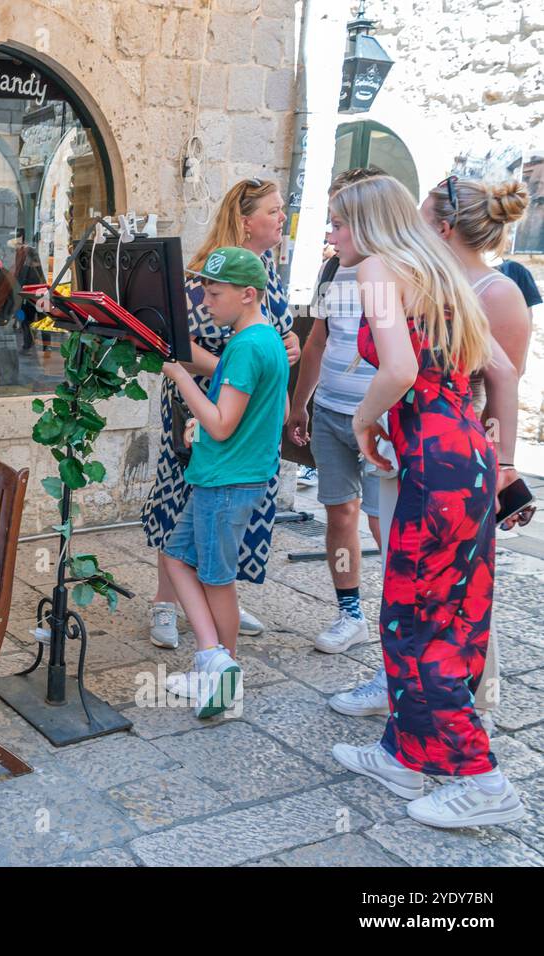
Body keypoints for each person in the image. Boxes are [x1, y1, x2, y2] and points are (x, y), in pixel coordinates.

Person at [326, 176, 526, 828]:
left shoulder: (381, 268)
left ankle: (482, 778)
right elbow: (500, 371)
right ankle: (404, 753)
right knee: (454, 615)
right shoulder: (437, 269)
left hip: (433, 468)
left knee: (416, 623)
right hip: (465, 457)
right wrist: (503, 462)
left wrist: (362, 421)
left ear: (366, 225)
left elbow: (399, 372)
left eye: (339, 224)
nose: (331, 237)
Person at [142, 178, 299, 649]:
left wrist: (285, 348)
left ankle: (217, 604)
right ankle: (173, 604)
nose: (281, 219)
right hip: (207, 412)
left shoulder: (265, 277)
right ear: (245, 219)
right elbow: (177, 340)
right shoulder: (207, 277)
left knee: (223, 526)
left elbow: (274, 338)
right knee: (184, 514)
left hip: (238, 423)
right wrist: (225, 369)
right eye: (273, 211)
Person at [159, 247, 289, 718]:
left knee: (217, 580)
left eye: (215, 293)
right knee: (177, 557)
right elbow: (265, 412)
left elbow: (220, 424)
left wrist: (179, 375)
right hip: (227, 474)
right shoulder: (262, 339)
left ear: (247, 294)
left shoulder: (248, 346)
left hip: (226, 482)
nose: (206, 302)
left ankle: (223, 671)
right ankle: (212, 659)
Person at [287, 167, 386, 655]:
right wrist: (300, 404)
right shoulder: (332, 270)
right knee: (339, 513)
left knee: (383, 520)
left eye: (338, 221)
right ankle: (351, 613)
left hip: (382, 422)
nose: (329, 233)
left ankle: (400, 614)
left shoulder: (396, 273)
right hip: (329, 412)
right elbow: (318, 341)